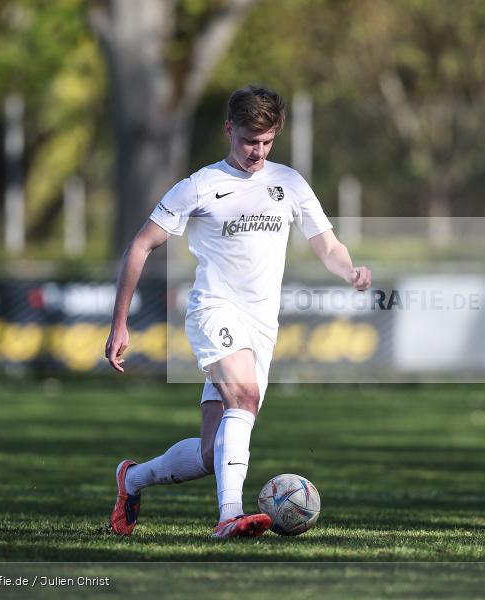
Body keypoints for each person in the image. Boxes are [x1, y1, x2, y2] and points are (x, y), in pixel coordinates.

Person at [104, 85, 372, 539]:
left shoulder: (288, 183)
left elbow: (325, 243)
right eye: (250, 141)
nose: (258, 152)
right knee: (244, 397)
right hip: (214, 309)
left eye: (267, 143)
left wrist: (349, 270)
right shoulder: (200, 185)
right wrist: (119, 322)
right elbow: (141, 244)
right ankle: (230, 516)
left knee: (214, 452)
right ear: (230, 130)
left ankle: (132, 479)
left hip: (261, 326)